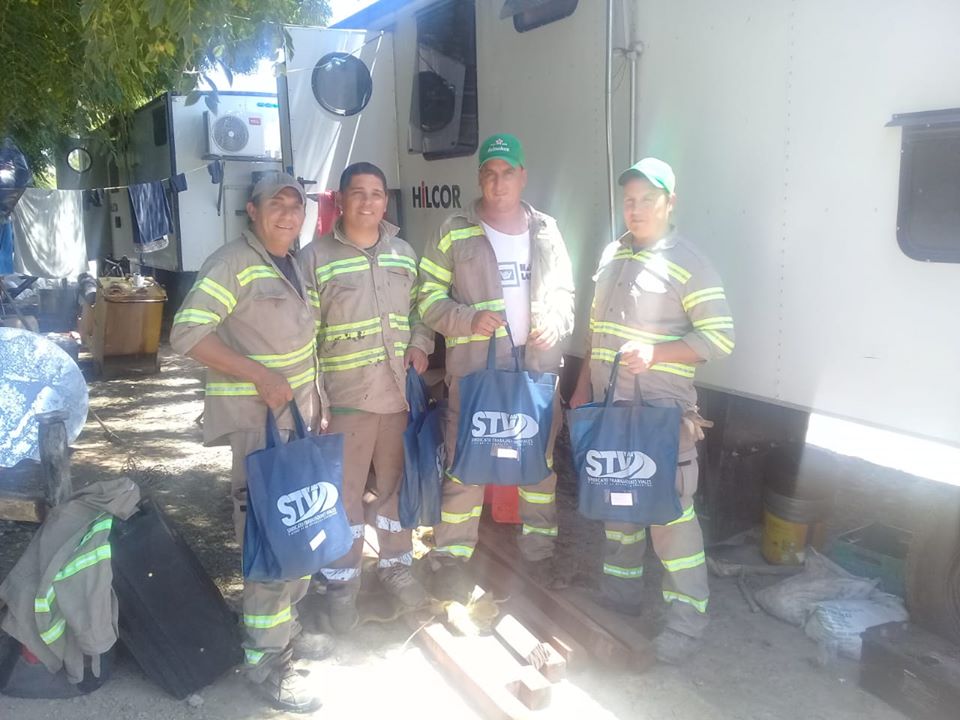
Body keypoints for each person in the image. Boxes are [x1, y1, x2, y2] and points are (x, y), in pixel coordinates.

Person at [170, 172, 331, 713]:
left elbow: (303, 346)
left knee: (299, 529)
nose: (288, 214)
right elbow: (187, 333)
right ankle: (266, 661)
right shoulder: (233, 263)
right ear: (252, 211)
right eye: (275, 204)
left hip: (295, 421)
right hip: (257, 425)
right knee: (270, 537)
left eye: (296, 205)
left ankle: (285, 630)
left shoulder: (290, 260)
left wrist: (320, 403)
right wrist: (259, 375)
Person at [569, 157, 735, 664]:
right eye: (630, 200)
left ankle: (686, 622)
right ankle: (619, 599)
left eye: (647, 199)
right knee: (618, 502)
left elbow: (720, 339)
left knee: (670, 515)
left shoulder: (690, 263)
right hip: (610, 408)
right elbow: (598, 332)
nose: (636, 209)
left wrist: (656, 353)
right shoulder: (613, 254)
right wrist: (581, 387)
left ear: (670, 203)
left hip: (662, 413)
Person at [417, 133, 575, 599]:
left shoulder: (546, 230)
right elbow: (426, 298)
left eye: (507, 173)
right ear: (479, 178)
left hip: (536, 368)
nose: (498, 182)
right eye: (489, 173)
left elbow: (564, 293)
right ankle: (451, 556)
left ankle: (539, 552)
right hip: (475, 370)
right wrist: (466, 319)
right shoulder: (453, 230)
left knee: (538, 462)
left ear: (522, 176)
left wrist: (556, 322)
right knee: (467, 459)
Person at [299, 162, 434, 632]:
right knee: (344, 495)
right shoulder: (315, 258)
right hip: (346, 399)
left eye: (377, 193)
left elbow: (421, 310)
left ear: (385, 201)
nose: (368, 202)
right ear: (340, 200)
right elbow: (305, 336)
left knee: (396, 490)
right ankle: (343, 584)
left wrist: (421, 344)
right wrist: (316, 399)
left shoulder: (404, 253)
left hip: (397, 398)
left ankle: (396, 567)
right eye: (358, 193)